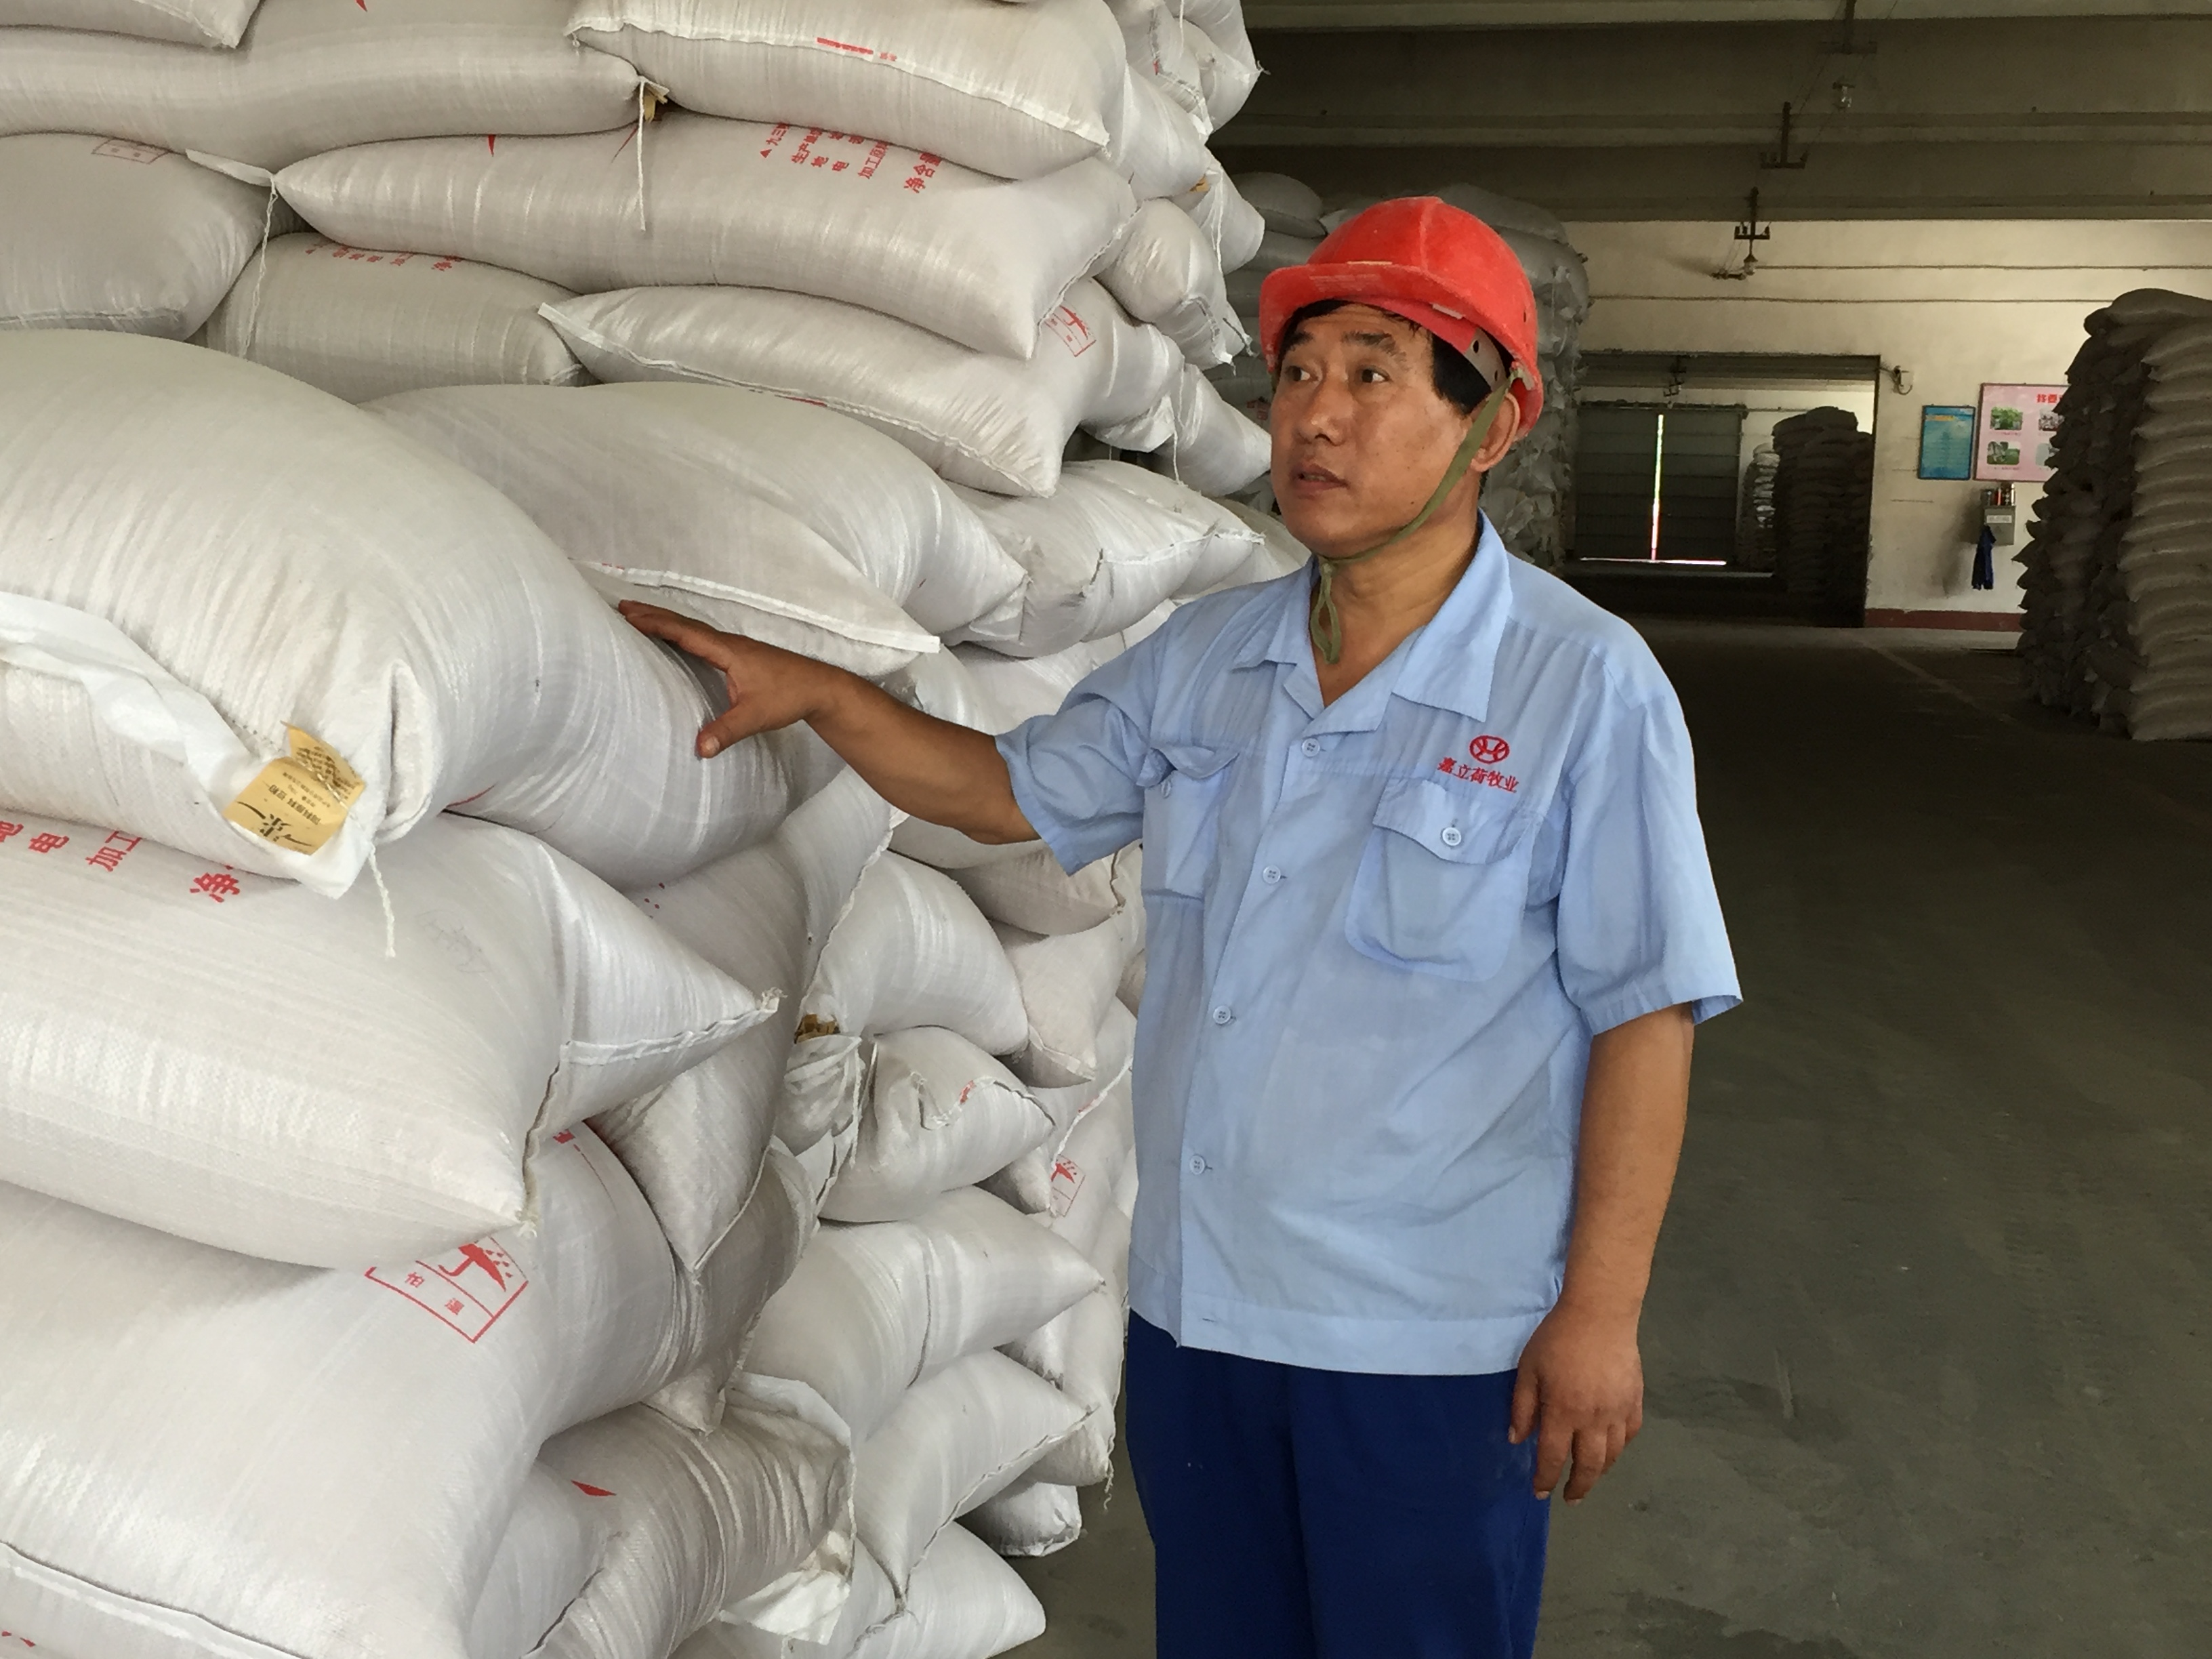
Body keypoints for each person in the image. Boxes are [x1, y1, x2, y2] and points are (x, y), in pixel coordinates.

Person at [623, 196, 1740, 1659]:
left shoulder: (1582, 687)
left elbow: (1646, 1012)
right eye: (1301, 373)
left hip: (1425, 1346)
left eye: (1375, 374)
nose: (1316, 417)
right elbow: (1004, 793)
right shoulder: (1212, 656)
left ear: (1495, 423)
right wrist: (831, 697)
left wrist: (1600, 1313)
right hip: (1204, 1321)